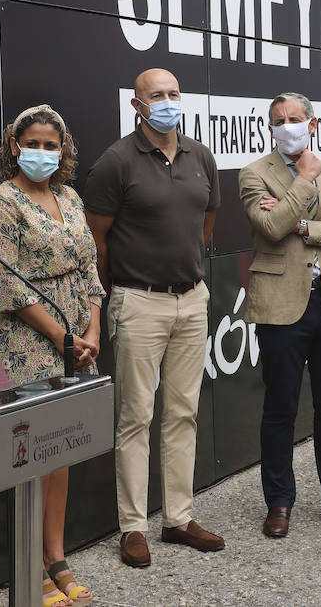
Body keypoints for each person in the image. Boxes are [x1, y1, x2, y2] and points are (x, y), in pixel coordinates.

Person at [84, 68, 223, 569]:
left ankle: (179, 518)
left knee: (183, 412)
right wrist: (117, 290)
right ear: (138, 106)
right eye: (156, 95)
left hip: (192, 300)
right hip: (138, 302)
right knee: (135, 416)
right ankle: (133, 526)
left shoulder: (200, 156)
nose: (167, 102)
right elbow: (96, 238)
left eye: (173, 94)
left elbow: (206, 223)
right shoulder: (116, 162)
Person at [0, 105, 101, 606]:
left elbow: (90, 267)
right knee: (30, 454)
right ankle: (27, 567)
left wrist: (91, 326)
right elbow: (6, 282)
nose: (43, 153)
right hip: (29, 341)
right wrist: (61, 336)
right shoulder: (0, 203)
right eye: (34, 143)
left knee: (62, 450)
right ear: (15, 146)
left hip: (77, 336)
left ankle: (57, 555)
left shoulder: (70, 197)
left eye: (52, 146)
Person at [239, 92, 321, 538]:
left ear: (312, 124)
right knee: (281, 409)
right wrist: (304, 181)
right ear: (269, 127)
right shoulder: (254, 174)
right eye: (279, 120)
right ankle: (279, 502)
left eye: (295, 118)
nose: (287, 125)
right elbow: (269, 228)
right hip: (280, 306)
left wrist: (302, 225)